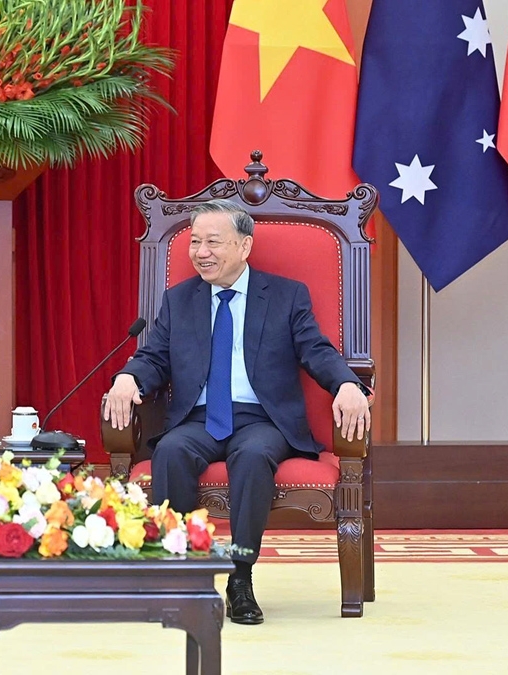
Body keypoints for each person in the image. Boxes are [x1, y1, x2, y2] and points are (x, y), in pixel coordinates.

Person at [103, 198, 370, 625]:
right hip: (199, 419)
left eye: (213, 242)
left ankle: (241, 577)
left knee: (252, 456)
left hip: (262, 419)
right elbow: (154, 357)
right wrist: (127, 378)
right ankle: (183, 573)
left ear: (244, 246)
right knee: (170, 451)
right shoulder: (179, 300)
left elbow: (316, 350)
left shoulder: (285, 295)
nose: (200, 252)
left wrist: (346, 384)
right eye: (194, 242)